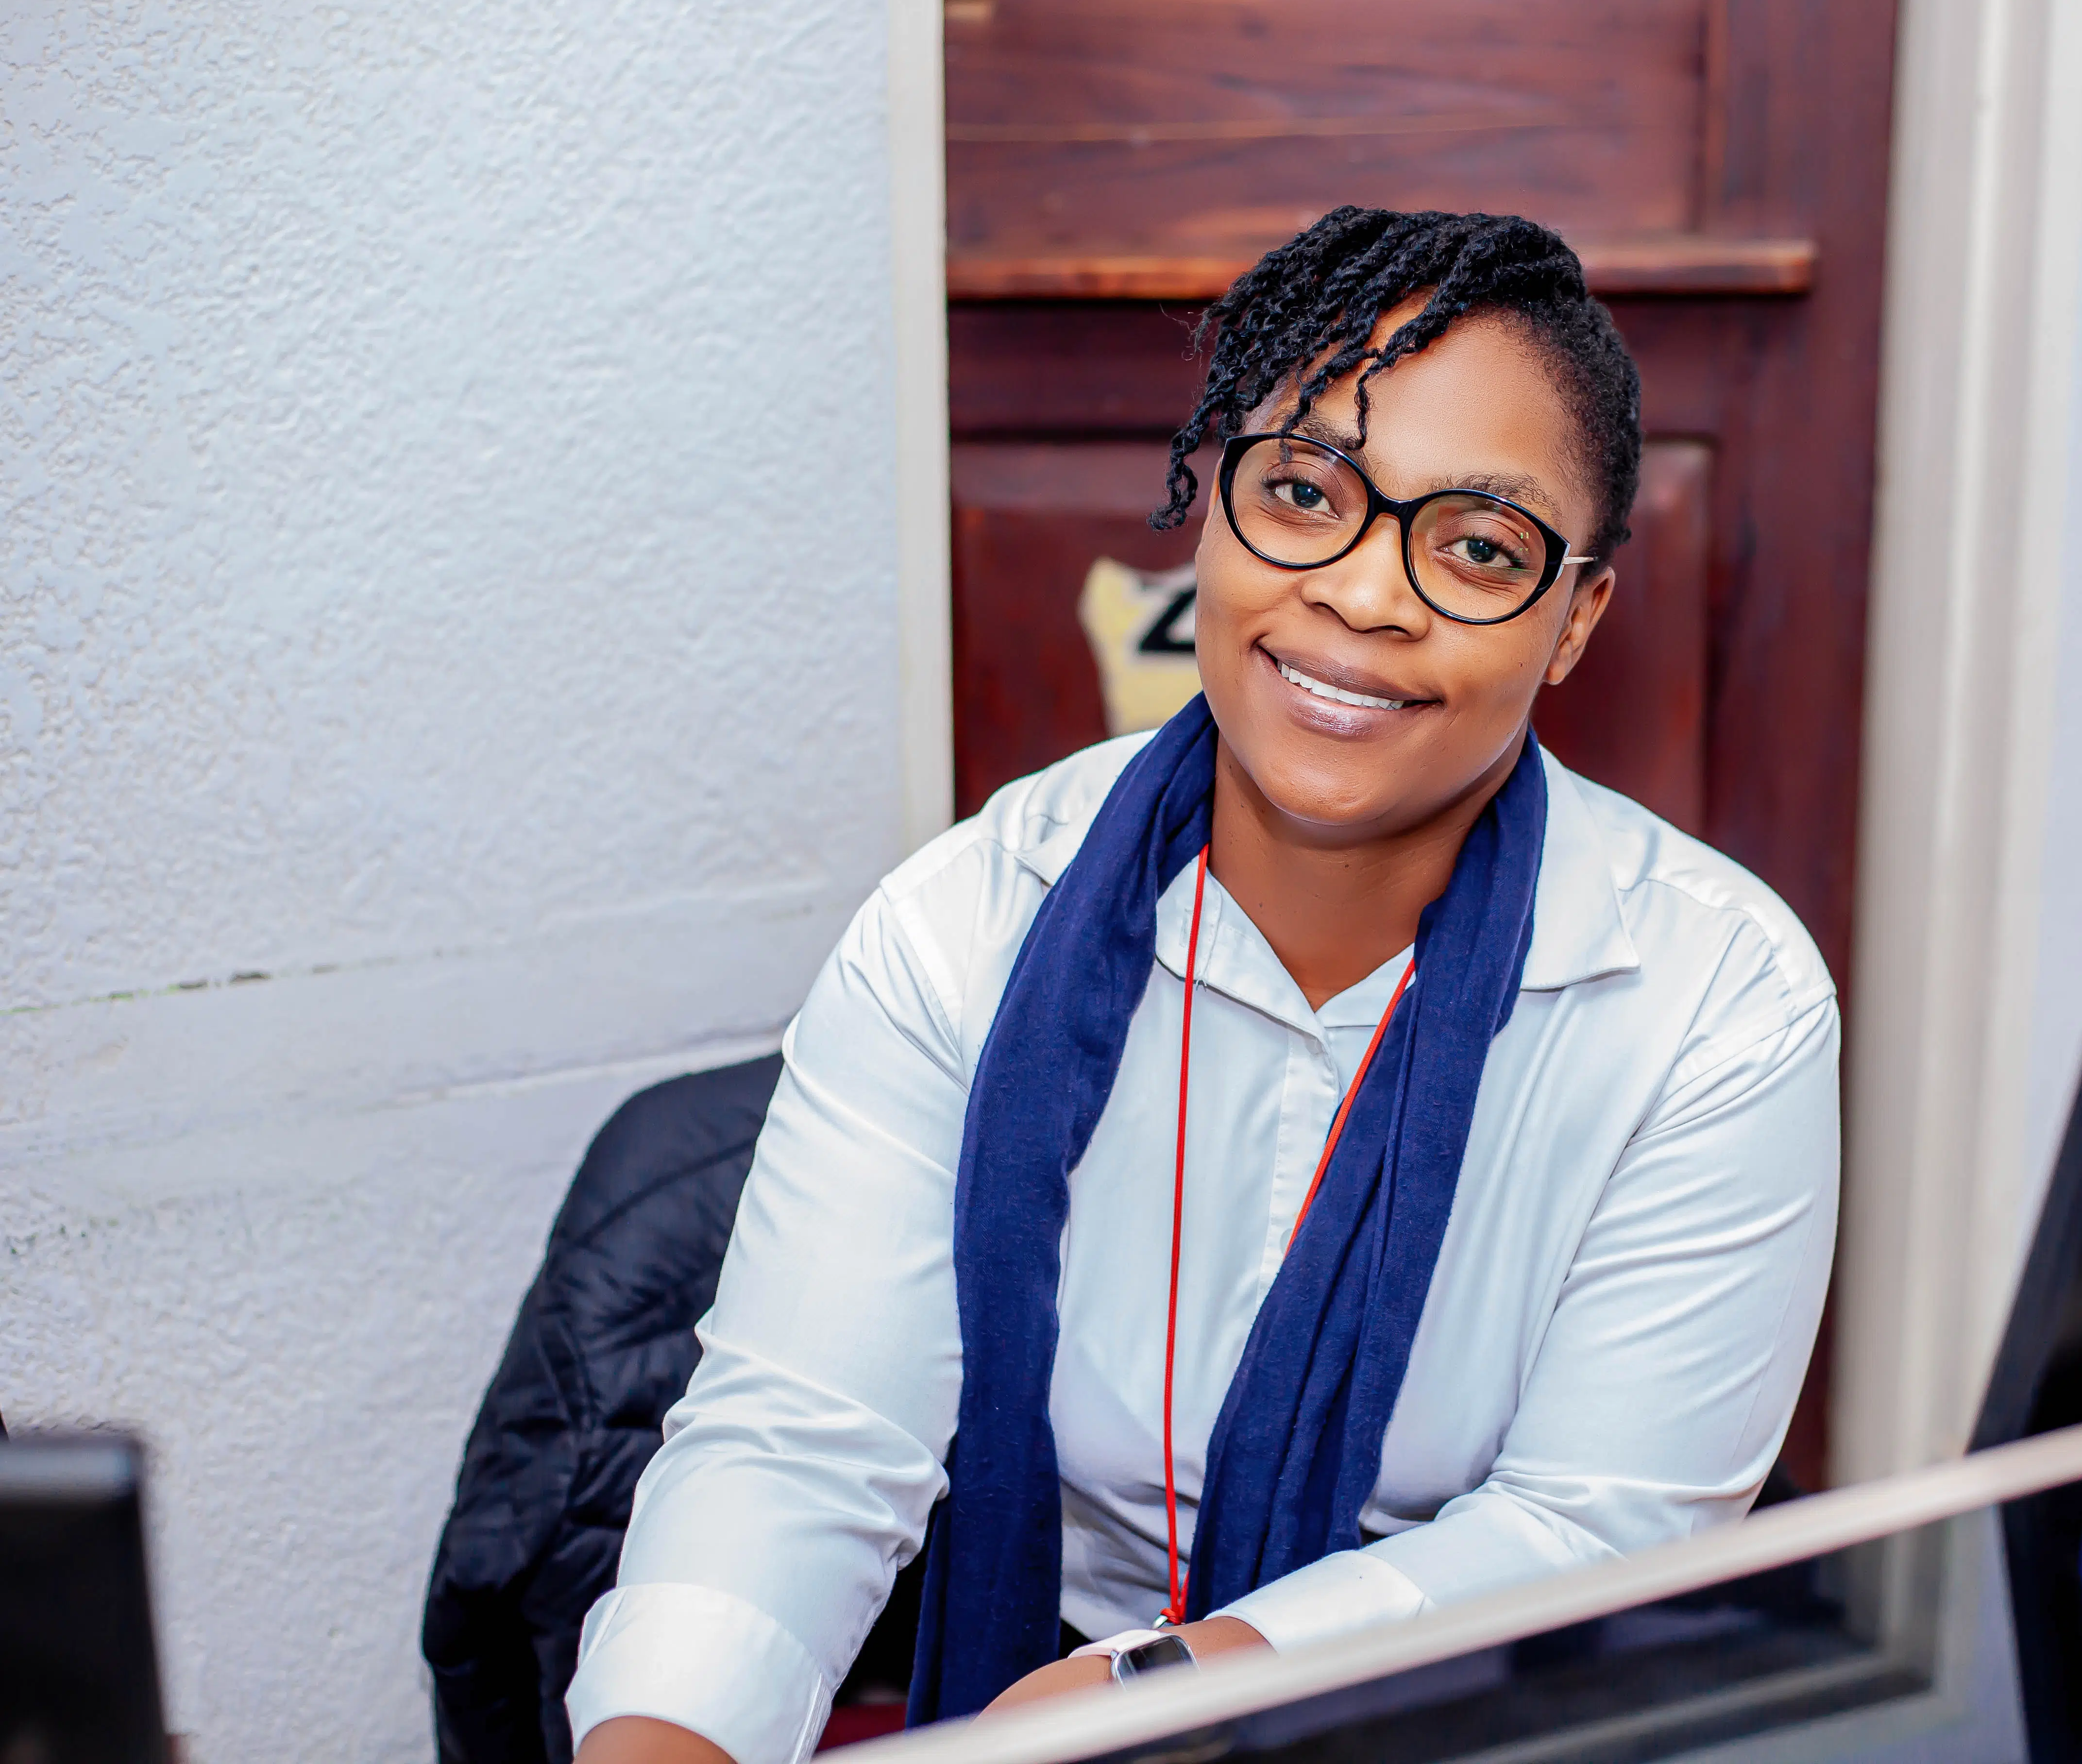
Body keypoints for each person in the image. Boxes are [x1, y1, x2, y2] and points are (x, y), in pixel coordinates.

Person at [570, 207, 1841, 1764]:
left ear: (1576, 617)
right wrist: (667, 1739)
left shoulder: (1718, 1004)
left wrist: (1173, 1693)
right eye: (1304, 493)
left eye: (1479, 547)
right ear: (1210, 513)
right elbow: (802, 1443)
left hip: (1469, 1720)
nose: (1369, 594)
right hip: (1039, 1682)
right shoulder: (963, 926)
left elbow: (1599, 1533)